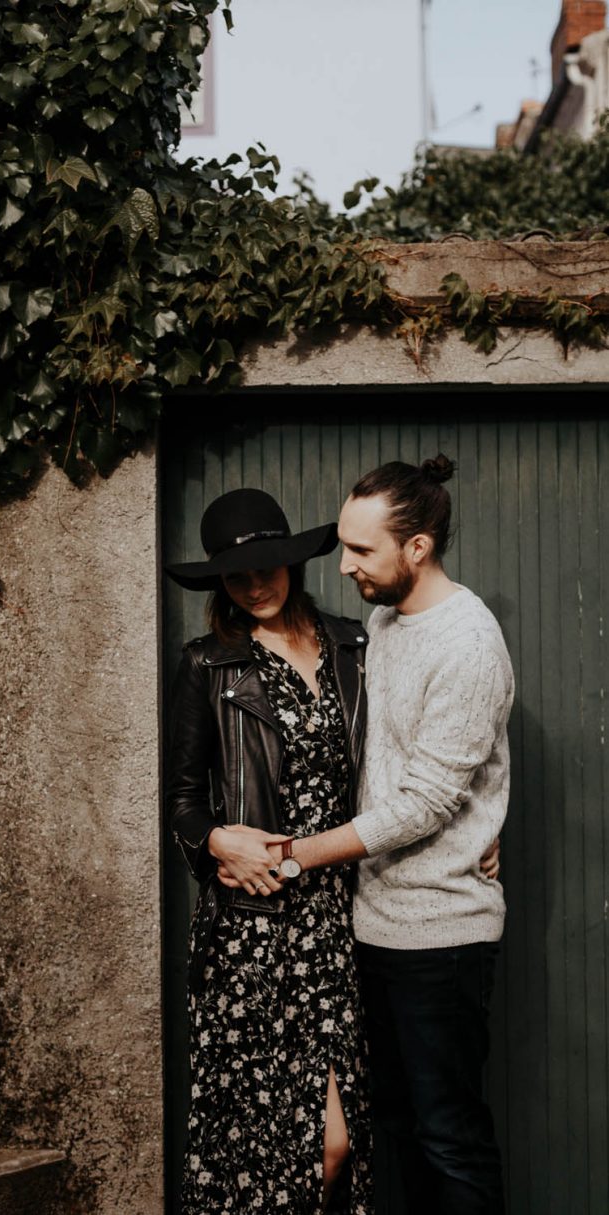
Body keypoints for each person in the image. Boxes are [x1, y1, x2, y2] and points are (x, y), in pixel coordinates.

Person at [221, 455, 512, 1215]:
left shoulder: (468, 642)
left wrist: (294, 856)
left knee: (450, 1137)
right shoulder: (383, 624)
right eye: (344, 546)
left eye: (361, 550)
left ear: (418, 547)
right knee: (400, 1132)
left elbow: (422, 802)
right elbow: (375, 759)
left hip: (442, 936)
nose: (343, 566)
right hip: (371, 927)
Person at [165, 487, 373, 1215]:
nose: (255, 585)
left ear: (292, 561)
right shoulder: (208, 665)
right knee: (269, 1143)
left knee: (337, 1141)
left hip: (342, 922)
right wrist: (219, 837)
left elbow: (416, 763)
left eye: (268, 567)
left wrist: (482, 834)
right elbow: (181, 799)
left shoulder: (354, 645)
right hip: (250, 933)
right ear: (219, 581)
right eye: (237, 575)